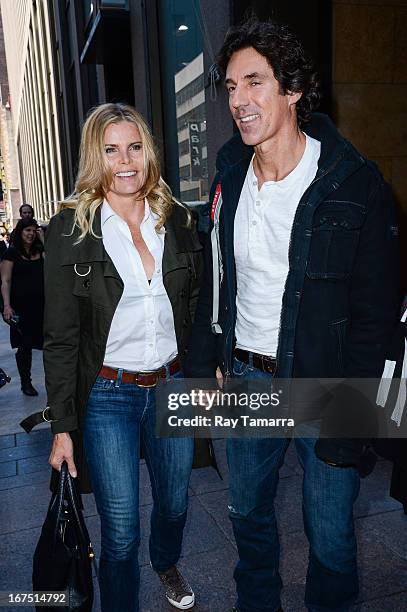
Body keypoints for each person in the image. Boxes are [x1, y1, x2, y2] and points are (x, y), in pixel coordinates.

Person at [185, 18, 400, 612]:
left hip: (325, 384)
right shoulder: (230, 178)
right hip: (247, 381)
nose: (239, 101)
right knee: (249, 518)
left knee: (330, 537)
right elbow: (215, 281)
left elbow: (376, 314)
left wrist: (358, 417)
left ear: (294, 88)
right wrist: (210, 365)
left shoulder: (353, 182)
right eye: (229, 87)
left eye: (254, 82)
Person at [25, 103, 202, 612]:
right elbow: (59, 337)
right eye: (110, 150)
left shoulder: (178, 218)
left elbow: (192, 303)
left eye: (135, 147)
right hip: (107, 395)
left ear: (149, 151)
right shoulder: (69, 229)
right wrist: (62, 427)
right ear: (93, 158)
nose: (125, 161)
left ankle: (165, 561)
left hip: (171, 386)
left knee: (174, 502)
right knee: (119, 530)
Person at [1, 218, 44, 396]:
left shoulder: (40, 251)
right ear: (20, 232)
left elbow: (52, 267)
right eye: (27, 230)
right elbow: (5, 281)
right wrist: (7, 306)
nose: (31, 234)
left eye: (34, 231)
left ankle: (55, 382)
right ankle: (26, 382)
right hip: (21, 307)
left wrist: (44, 242)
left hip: (42, 305)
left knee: (48, 344)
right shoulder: (12, 253)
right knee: (25, 346)